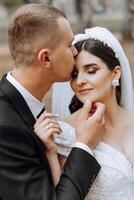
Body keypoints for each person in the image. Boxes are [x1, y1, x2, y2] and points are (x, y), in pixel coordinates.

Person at [0, 4, 106, 200]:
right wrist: (84, 143)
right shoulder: (5, 128)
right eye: (68, 45)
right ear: (46, 58)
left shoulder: (23, 106)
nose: (75, 52)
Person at [51, 27, 134, 199]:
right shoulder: (63, 133)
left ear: (116, 73)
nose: (80, 81)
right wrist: (50, 153)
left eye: (91, 70)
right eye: (74, 75)